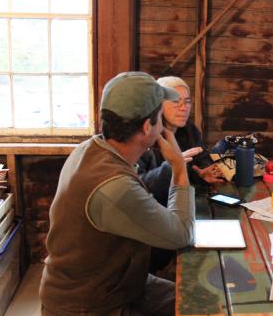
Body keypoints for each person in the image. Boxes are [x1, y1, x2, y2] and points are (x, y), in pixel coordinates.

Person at [40, 72, 195, 316]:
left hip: (120, 283)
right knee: (199, 306)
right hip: (90, 305)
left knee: (197, 301)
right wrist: (179, 167)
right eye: (159, 117)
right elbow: (182, 234)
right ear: (147, 127)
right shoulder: (114, 187)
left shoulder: (90, 148)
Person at [138, 76, 223, 207]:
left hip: (182, 203)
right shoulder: (144, 135)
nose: (184, 108)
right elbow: (137, 185)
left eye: (187, 102)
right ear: (158, 105)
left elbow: (200, 162)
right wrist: (172, 166)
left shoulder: (189, 130)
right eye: (176, 101)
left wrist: (202, 175)